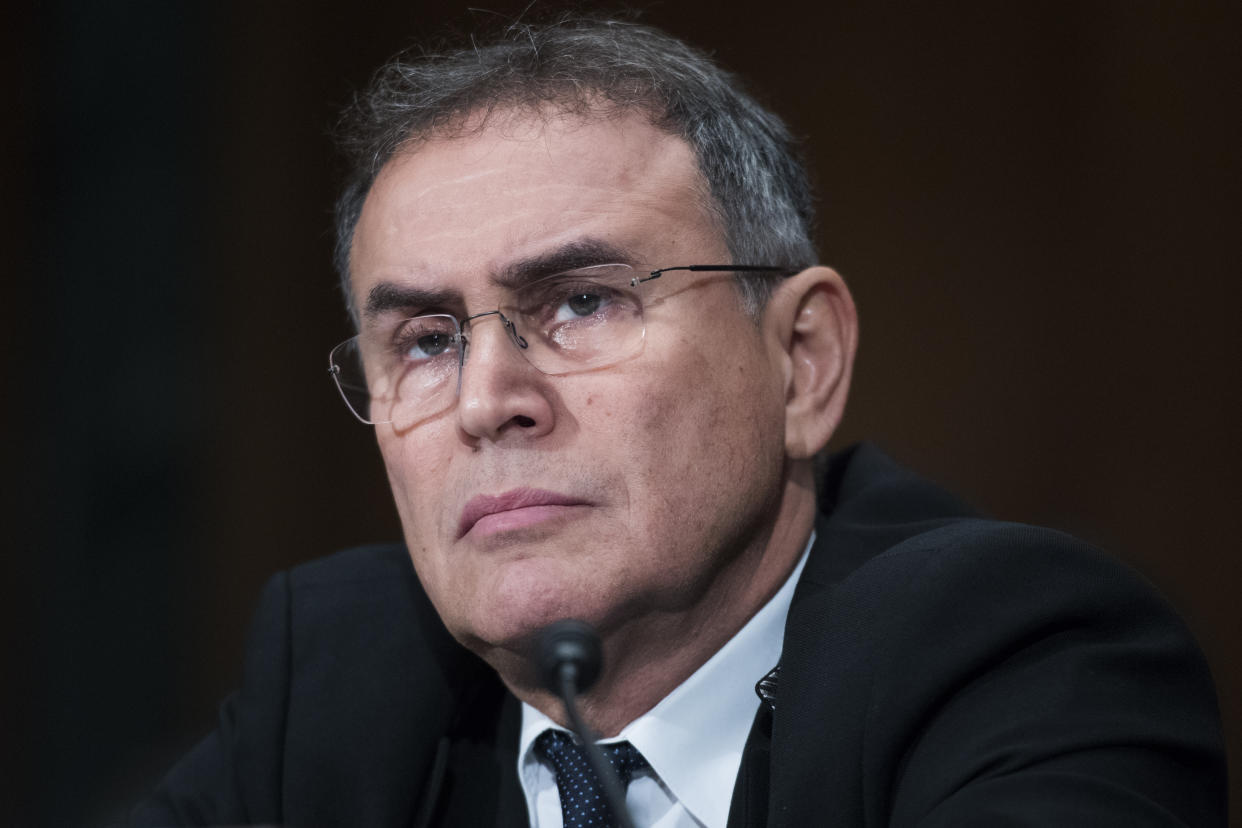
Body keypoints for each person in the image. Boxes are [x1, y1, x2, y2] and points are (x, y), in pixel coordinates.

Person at [131, 15, 1225, 827]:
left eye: (581, 303)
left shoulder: (1011, 658)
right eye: (425, 340)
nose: (486, 401)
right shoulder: (348, 682)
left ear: (801, 362)